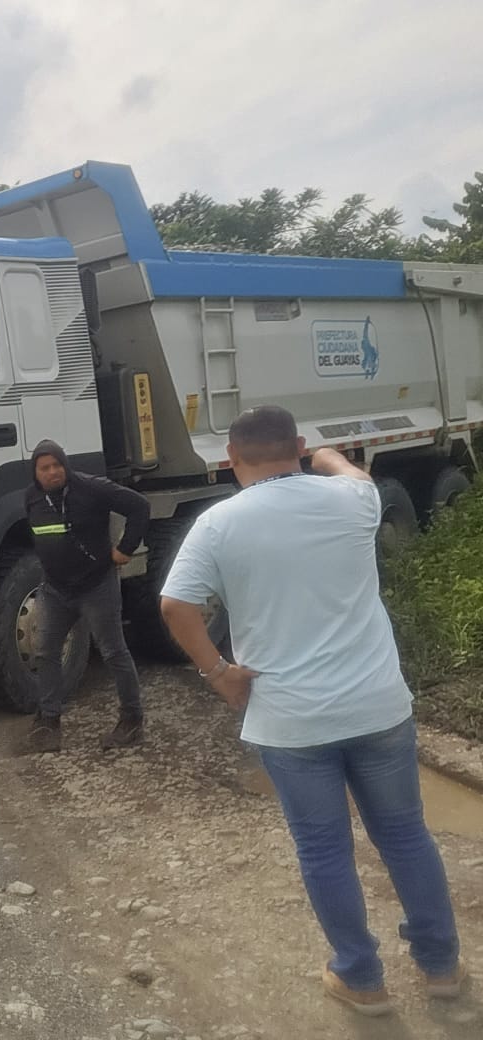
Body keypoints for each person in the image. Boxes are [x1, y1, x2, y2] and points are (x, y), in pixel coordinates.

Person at [159, 405, 465, 1017]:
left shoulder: (218, 523)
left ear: (230, 459)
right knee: (405, 835)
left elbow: (175, 605)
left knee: (324, 850)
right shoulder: (353, 500)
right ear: (297, 447)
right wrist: (326, 455)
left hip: (290, 720)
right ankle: (441, 969)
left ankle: (362, 978)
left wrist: (219, 673)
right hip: (377, 706)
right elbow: (351, 473)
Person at [24, 439, 150, 752]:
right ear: (35, 473)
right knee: (46, 652)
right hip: (55, 589)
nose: (52, 472)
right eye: (44, 468)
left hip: (96, 586)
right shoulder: (32, 498)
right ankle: (48, 722)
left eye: (57, 465)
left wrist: (125, 549)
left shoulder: (91, 488)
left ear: (65, 465)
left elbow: (139, 507)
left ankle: (132, 721)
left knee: (113, 652)